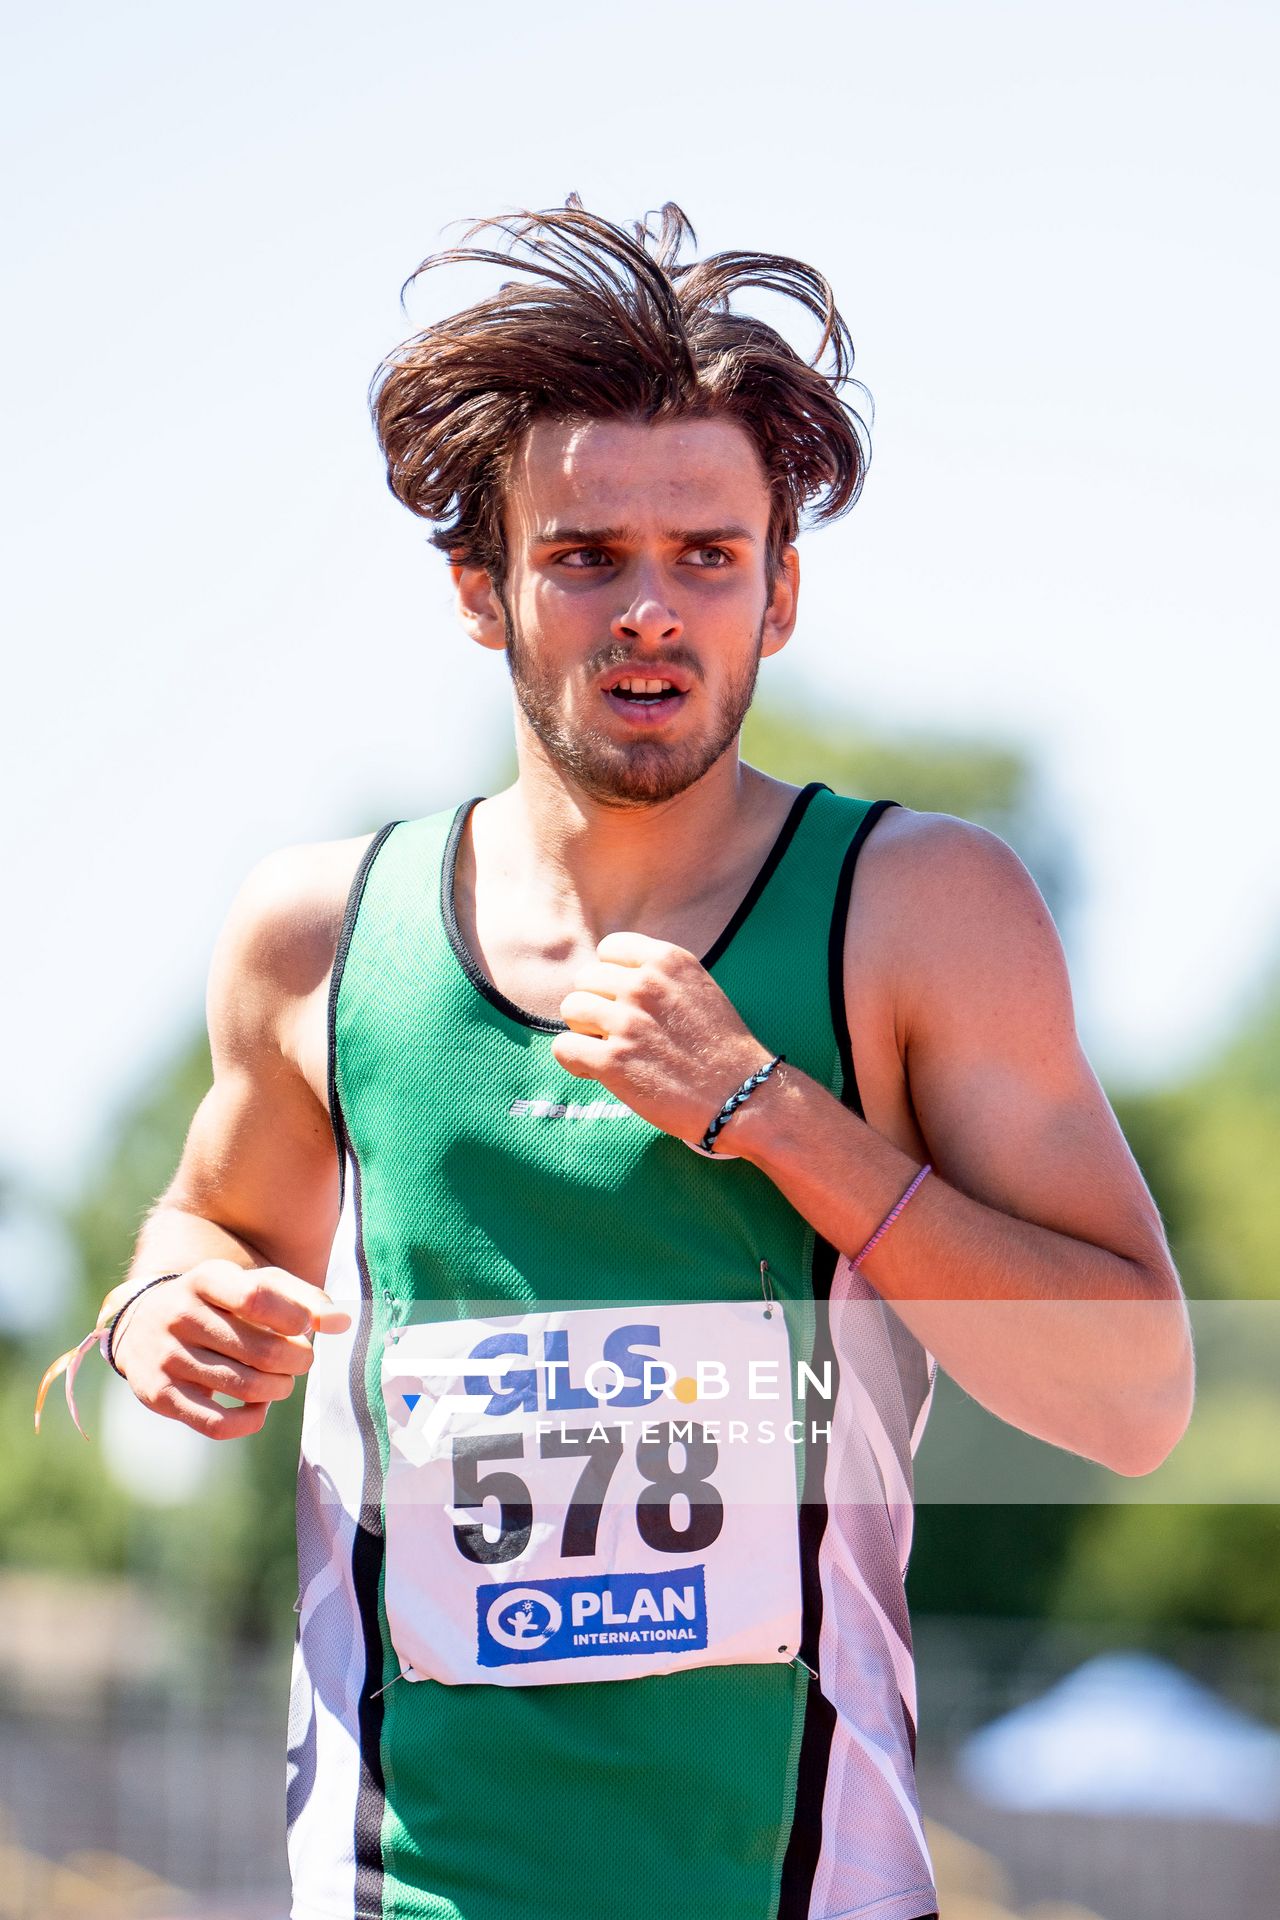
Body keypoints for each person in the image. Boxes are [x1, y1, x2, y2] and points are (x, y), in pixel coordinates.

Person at [42, 201, 1194, 1920]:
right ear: (480, 588)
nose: (648, 612)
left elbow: (1135, 1399)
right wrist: (165, 1308)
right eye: (584, 556)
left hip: (801, 1885)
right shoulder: (319, 936)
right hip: (393, 1889)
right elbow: (204, 1230)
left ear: (779, 593)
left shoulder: (919, 912)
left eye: (707, 558)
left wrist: (772, 1113)